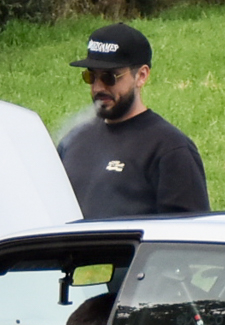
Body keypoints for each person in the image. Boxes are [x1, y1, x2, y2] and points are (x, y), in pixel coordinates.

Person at [58, 23, 208, 219]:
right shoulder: (74, 139)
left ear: (141, 76)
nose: (98, 87)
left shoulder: (170, 148)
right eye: (91, 76)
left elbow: (188, 236)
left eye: (110, 77)